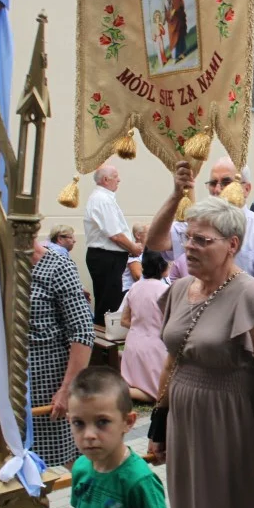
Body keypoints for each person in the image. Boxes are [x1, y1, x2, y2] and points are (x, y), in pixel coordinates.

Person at [149, 197, 254, 508]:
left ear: (232, 245)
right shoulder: (182, 289)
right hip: (186, 425)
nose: (191, 247)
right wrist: (158, 424)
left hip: (230, 425)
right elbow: (174, 359)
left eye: (203, 240)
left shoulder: (251, 296)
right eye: (190, 238)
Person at [68, 367, 180, 508]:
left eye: (102, 422)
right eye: (79, 423)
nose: (89, 435)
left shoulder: (139, 482)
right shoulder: (80, 468)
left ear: (128, 421)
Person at [147, 158, 254, 302]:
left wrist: (225, 309)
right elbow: (155, 242)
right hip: (199, 313)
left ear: (246, 189)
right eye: (213, 183)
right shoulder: (199, 224)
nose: (217, 189)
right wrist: (176, 196)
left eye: (226, 183)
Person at [29, 240, 95, 468]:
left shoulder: (57, 266)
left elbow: (83, 331)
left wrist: (67, 389)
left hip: (47, 387)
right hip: (8, 389)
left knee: (66, 459)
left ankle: (94, 500)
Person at [84, 165, 143, 325]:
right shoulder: (102, 200)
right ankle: (104, 344)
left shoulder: (103, 198)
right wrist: (133, 248)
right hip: (106, 257)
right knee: (109, 304)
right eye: (116, 176)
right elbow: (115, 235)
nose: (119, 179)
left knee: (108, 300)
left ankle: (103, 343)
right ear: (105, 179)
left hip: (108, 257)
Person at [120, 251, 170, 403]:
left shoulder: (134, 288)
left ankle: (127, 390)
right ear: (164, 267)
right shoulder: (165, 290)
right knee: (161, 393)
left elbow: (124, 320)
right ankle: (126, 392)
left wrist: (141, 326)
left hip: (133, 345)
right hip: (155, 348)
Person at [122, 223, 149, 296]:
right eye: (149, 232)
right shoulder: (133, 252)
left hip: (143, 290)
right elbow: (137, 276)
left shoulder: (148, 252)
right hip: (131, 292)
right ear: (138, 235)